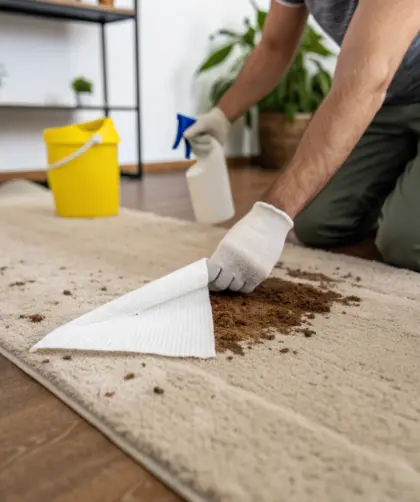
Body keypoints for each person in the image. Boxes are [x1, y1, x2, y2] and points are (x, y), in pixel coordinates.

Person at [184, 0, 420, 293]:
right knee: (317, 224)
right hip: (391, 102)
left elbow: (368, 76)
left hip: (376, 85)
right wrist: (221, 116)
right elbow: (274, 45)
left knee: (406, 243)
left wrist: (270, 217)